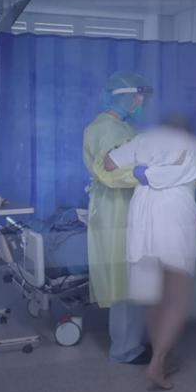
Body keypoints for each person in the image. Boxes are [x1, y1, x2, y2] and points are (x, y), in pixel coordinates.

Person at [104, 115, 196, 389]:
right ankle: (157, 361)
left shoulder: (144, 140)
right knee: (176, 298)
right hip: (175, 218)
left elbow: (108, 163)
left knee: (153, 296)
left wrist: (141, 170)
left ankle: (161, 357)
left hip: (142, 219)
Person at [82, 71, 154, 364]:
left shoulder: (123, 128)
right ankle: (124, 349)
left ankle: (133, 342)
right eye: (137, 97)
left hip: (126, 207)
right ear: (124, 96)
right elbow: (111, 172)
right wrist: (150, 174)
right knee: (124, 279)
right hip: (116, 209)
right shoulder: (107, 130)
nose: (141, 102)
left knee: (134, 277)